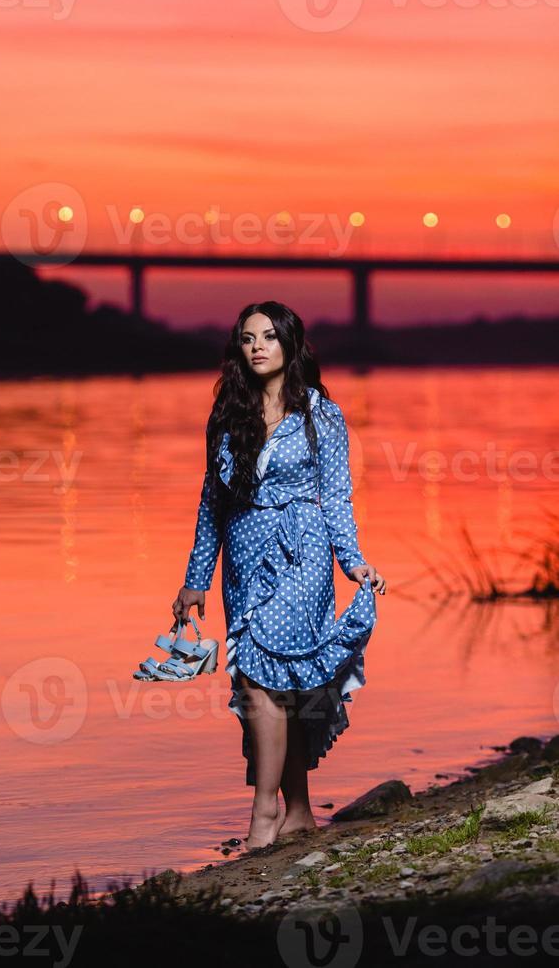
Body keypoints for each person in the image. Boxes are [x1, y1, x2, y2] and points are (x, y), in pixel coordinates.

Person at [173, 301, 386, 850]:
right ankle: (298, 811)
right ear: (238, 349)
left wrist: (353, 559)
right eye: (247, 339)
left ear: (290, 345)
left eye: (269, 337)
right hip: (243, 559)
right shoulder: (227, 415)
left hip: (303, 555)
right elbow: (210, 502)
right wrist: (195, 577)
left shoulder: (321, 415)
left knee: (262, 681)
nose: (258, 347)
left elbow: (335, 496)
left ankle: (263, 811)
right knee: (275, 686)